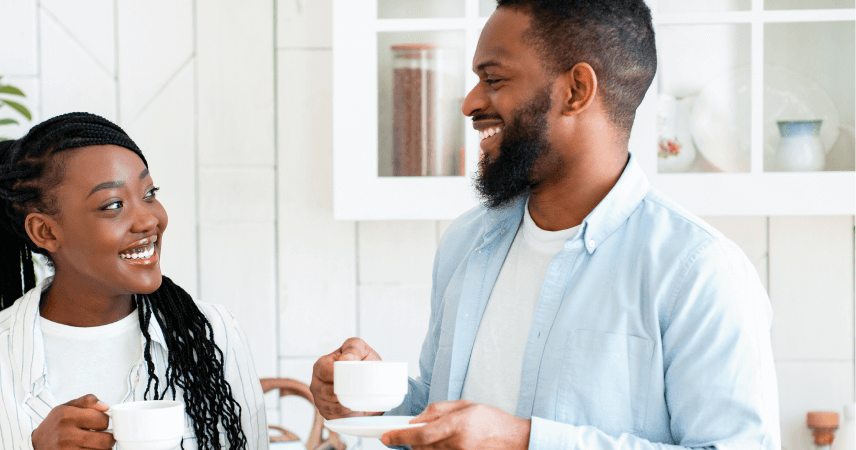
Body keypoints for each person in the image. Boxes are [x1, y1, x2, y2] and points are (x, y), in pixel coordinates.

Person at [311, 1, 780, 450]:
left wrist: (522, 441)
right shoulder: (466, 244)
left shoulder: (699, 272)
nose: (471, 102)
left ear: (575, 90)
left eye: (493, 79)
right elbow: (445, 422)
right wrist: (375, 406)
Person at [0, 112, 268, 450]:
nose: (148, 219)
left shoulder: (212, 333)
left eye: (149, 193)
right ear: (45, 231)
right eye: (113, 204)